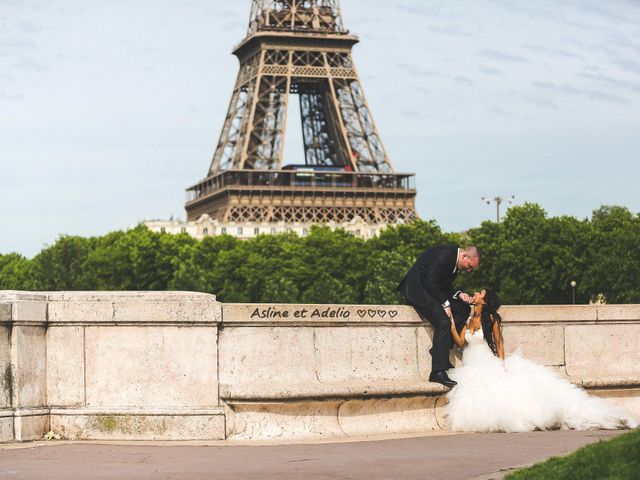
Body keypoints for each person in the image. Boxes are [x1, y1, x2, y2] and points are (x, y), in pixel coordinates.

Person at [446, 289, 638, 432]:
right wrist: (452, 324)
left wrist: (501, 367)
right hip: (472, 366)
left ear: (484, 301)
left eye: (480, 293)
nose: (476, 293)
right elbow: (461, 342)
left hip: (488, 364)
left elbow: (500, 345)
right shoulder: (470, 318)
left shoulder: (491, 319)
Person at [397, 245, 480, 388]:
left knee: (463, 309)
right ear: (464, 256)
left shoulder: (454, 261)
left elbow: (443, 286)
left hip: (431, 291)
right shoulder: (446, 255)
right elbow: (429, 282)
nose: (468, 270)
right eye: (469, 266)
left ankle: (439, 350)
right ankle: (437, 372)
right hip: (418, 291)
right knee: (443, 322)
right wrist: (446, 303)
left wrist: (459, 294)